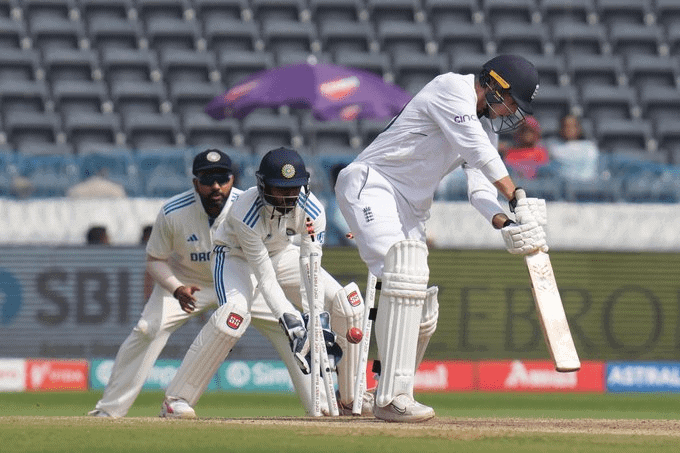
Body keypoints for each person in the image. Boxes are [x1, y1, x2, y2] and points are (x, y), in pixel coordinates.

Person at [334, 54, 549, 422]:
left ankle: (381, 391)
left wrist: (506, 223)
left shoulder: (484, 129)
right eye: (513, 100)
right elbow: (478, 154)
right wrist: (517, 195)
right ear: (494, 84)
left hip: (413, 210)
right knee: (401, 274)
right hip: (374, 185)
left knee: (422, 307)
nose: (514, 111)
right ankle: (392, 399)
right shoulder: (451, 88)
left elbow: (481, 190)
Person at [161, 147, 372, 417]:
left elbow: (311, 267)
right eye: (279, 189)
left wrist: (316, 316)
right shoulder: (244, 212)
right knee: (232, 317)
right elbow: (265, 277)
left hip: (282, 253)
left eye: (293, 189)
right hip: (235, 257)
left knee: (348, 304)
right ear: (263, 186)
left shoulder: (313, 211)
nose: (287, 197)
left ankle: (351, 398)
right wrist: (291, 320)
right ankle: (176, 399)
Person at [87, 148, 242, 418]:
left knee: (289, 328)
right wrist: (176, 288)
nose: (215, 186)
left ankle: (322, 406)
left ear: (232, 179)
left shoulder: (247, 206)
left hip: (236, 283)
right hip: (186, 282)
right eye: (207, 180)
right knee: (148, 329)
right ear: (195, 182)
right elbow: (155, 259)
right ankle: (109, 412)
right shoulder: (173, 211)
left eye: (222, 178)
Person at [545, 114, 600, 182]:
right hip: (560, 189)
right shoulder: (553, 146)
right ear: (561, 128)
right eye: (566, 126)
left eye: (572, 126)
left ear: (579, 128)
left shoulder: (589, 147)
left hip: (585, 189)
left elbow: (589, 173)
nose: (569, 130)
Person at [501, 115, 549, 179]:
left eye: (530, 130)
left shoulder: (542, 152)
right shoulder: (510, 152)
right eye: (523, 130)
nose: (527, 133)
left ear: (537, 133)